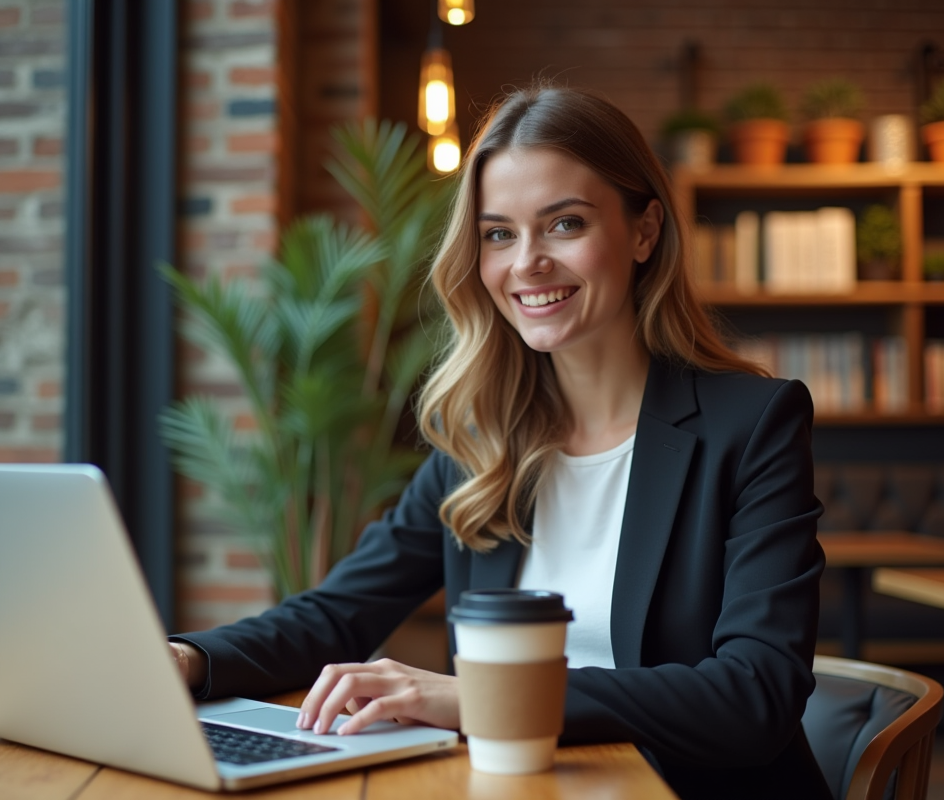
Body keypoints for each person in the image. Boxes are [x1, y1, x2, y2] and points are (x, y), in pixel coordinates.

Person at [168, 84, 831, 800]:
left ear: (644, 232)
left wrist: (483, 701)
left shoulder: (754, 424)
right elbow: (337, 614)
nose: (527, 263)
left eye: (565, 224)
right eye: (498, 233)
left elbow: (753, 696)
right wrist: (185, 660)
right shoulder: (481, 438)